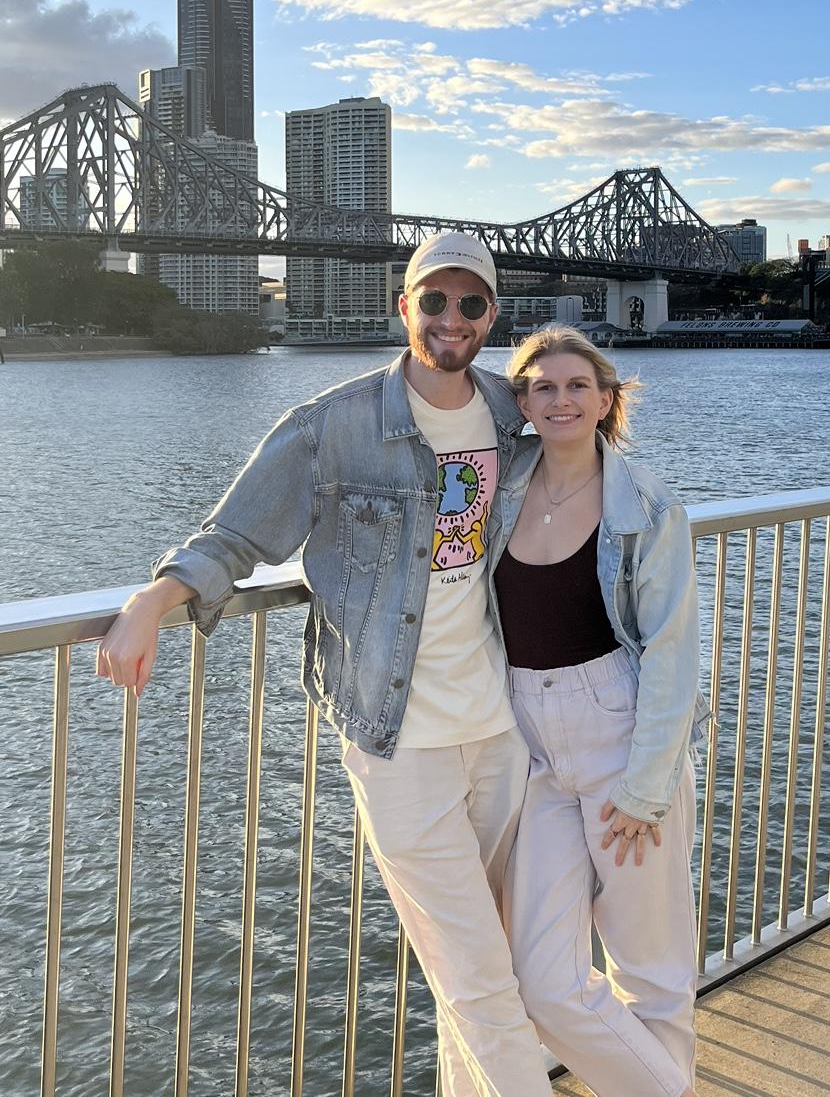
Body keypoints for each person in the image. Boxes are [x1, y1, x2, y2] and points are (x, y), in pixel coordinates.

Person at [95, 232, 553, 1097]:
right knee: (483, 978)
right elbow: (234, 535)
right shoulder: (333, 425)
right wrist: (153, 599)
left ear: (493, 314)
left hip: (500, 730)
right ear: (404, 307)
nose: (451, 318)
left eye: (471, 303)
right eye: (434, 300)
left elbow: (589, 463)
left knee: (483, 966)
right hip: (397, 738)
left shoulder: (512, 409)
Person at [490, 325, 705, 1097]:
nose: (562, 399)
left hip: (620, 734)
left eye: (578, 385)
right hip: (532, 748)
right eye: (542, 387)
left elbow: (673, 651)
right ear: (521, 403)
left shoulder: (646, 504)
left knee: (652, 971)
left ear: (608, 399)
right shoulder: (492, 488)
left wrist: (647, 786)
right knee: (541, 980)